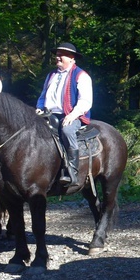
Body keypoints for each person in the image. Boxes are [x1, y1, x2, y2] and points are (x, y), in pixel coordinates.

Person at [36, 42, 93, 187]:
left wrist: (72, 115)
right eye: (57, 54)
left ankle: (72, 171)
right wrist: (39, 108)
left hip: (71, 115)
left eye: (62, 55)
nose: (58, 57)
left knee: (67, 131)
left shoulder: (81, 75)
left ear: (72, 59)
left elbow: (85, 101)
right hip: (49, 114)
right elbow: (43, 96)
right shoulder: (51, 75)